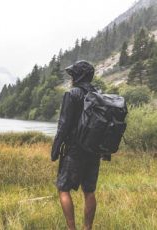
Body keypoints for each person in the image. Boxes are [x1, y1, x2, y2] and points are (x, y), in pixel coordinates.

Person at [51, 60, 102, 230]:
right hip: (94, 149)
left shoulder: (72, 94)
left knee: (63, 188)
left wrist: (55, 148)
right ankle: (87, 228)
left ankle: (71, 229)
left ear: (79, 76)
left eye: (73, 74)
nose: (71, 78)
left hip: (75, 149)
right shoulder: (98, 94)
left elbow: (64, 124)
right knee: (89, 191)